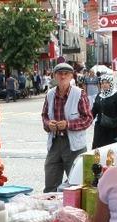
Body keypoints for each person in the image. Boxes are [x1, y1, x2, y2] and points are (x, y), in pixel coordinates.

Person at [41, 62, 93, 193]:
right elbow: (44, 115)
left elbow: (88, 119)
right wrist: (48, 124)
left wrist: (68, 124)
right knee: (50, 183)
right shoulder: (50, 94)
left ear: (71, 77)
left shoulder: (79, 94)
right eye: (59, 74)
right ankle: (51, 210)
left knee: (76, 185)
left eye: (66, 74)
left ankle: (76, 213)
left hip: (74, 146)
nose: (63, 77)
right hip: (55, 142)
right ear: (54, 76)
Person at [91, 73, 117, 149]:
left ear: (110, 83)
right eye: (102, 83)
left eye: (107, 82)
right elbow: (94, 110)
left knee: (110, 149)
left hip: (112, 128)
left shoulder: (116, 95)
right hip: (100, 126)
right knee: (98, 147)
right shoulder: (99, 95)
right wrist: (89, 119)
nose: (104, 85)